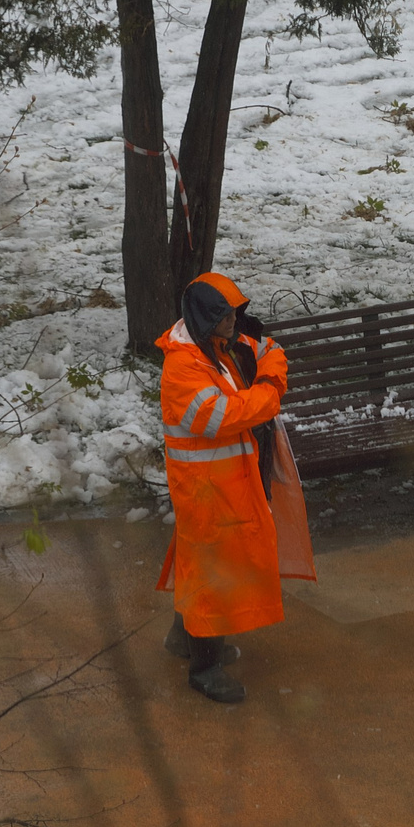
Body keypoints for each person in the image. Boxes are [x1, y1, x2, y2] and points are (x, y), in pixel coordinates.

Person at [155, 271, 290, 703]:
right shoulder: (183, 367)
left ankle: (184, 639)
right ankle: (205, 668)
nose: (234, 321)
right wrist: (269, 389)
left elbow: (269, 349)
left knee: (202, 567)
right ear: (205, 320)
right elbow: (222, 416)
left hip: (219, 485)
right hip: (206, 490)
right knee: (212, 576)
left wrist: (267, 362)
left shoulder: (215, 348)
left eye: (234, 312)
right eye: (225, 315)